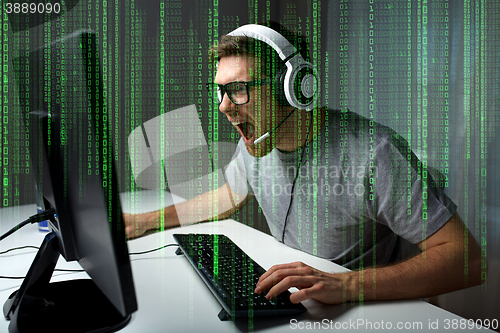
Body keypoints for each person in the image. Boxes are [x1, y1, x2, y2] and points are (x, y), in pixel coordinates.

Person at [123, 22, 484, 304]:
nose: (223, 107)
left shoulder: (375, 153)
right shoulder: (256, 137)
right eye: (220, 90)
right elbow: (228, 195)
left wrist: (345, 284)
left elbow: (467, 262)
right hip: (297, 297)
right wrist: (141, 222)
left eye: (238, 89)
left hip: (357, 307)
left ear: (294, 87)